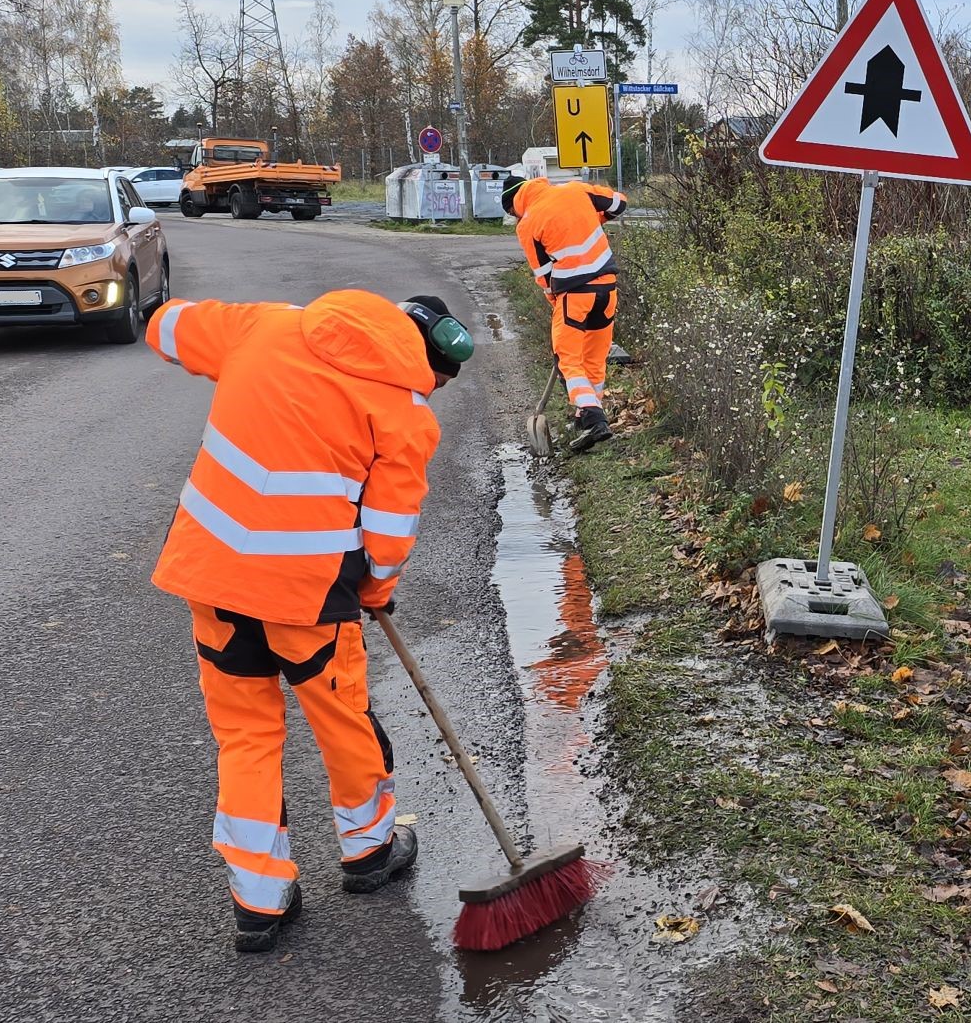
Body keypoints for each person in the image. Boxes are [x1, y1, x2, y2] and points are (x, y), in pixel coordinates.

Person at [145, 289, 474, 952]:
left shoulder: (264, 323)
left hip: (211, 575)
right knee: (343, 721)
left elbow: (166, 327)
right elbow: (388, 533)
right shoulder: (405, 413)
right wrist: (378, 590)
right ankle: (368, 853)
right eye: (433, 383)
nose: (429, 393)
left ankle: (259, 902)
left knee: (245, 737)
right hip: (307, 597)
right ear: (423, 360)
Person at [502, 172, 628, 452]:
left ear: (514, 204)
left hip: (574, 295)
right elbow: (618, 204)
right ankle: (586, 415)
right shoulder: (576, 191)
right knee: (594, 358)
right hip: (608, 287)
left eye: (512, 213)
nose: (515, 218)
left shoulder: (528, 224)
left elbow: (544, 276)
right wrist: (587, 220)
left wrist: (555, 303)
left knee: (568, 359)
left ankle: (594, 419)